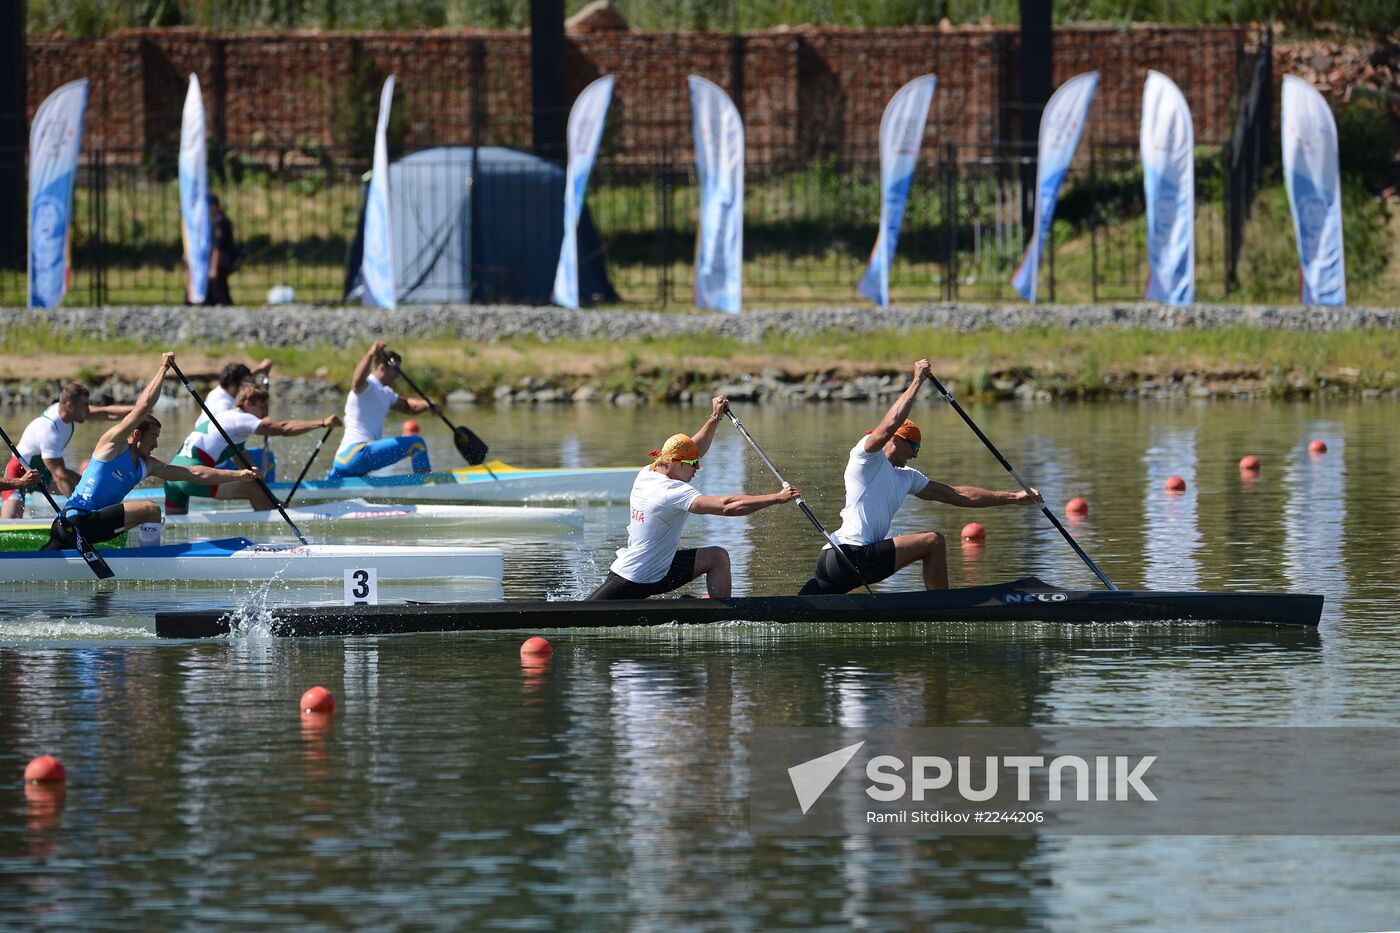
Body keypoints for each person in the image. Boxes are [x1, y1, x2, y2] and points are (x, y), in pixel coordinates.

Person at [798, 359, 1042, 595]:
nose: (915, 456)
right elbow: (890, 423)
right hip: (851, 556)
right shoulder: (866, 458)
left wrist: (1014, 497)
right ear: (896, 439)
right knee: (933, 542)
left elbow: (958, 495)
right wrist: (916, 382)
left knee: (794, 610)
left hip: (832, 562)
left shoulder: (907, 478)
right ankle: (942, 607)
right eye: (914, 447)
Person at [589, 397, 800, 601]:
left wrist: (715, 417)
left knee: (717, 557)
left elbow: (694, 448)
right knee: (581, 614)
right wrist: (776, 498)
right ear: (674, 464)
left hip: (662, 569)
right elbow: (726, 506)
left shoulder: (649, 471)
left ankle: (719, 612)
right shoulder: (671, 491)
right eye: (693, 463)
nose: (698, 467)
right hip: (634, 577)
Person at [42, 353, 259, 551]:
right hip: (75, 522)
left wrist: (239, 475)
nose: (155, 444)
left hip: (81, 527)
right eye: (153, 438)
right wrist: (164, 367)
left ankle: (143, 554)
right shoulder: (112, 446)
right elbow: (142, 407)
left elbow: (194, 474)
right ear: (136, 435)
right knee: (151, 510)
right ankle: (151, 556)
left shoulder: (149, 465)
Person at [165, 385, 340, 514]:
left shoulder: (227, 422)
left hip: (172, 477)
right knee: (252, 488)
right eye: (262, 407)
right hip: (192, 476)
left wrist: (273, 500)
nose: (264, 414)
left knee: (173, 529)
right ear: (248, 403)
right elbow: (283, 428)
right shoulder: (241, 418)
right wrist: (322, 423)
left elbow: (246, 465)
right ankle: (274, 536)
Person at [2, 383, 133, 519]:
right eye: (84, 405)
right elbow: (60, 475)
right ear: (70, 405)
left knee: (85, 487)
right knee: (10, 524)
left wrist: (137, 411)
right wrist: (80, 510)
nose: (88, 409)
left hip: (43, 472)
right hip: (19, 474)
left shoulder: (69, 412)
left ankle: (95, 512)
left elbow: (105, 413)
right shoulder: (49, 430)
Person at [328, 341, 436, 478]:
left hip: (342, 460)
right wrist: (370, 354)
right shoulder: (366, 387)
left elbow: (409, 407)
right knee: (417, 443)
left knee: (325, 494)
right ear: (383, 367)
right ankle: (426, 485)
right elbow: (356, 381)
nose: (398, 375)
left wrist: (428, 404)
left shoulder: (386, 393)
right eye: (396, 370)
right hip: (357, 453)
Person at [205, 195, 240, 306]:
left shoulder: (219, 221)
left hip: (221, 260)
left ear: (214, 206)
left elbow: (218, 246)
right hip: (223, 259)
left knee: (219, 291)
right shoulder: (221, 219)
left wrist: (213, 267)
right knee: (220, 288)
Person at [207, 359, 275, 415]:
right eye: (246, 383)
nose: (250, 387)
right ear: (233, 385)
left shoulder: (220, 389)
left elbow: (241, 376)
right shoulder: (224, 405)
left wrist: (260, 368)